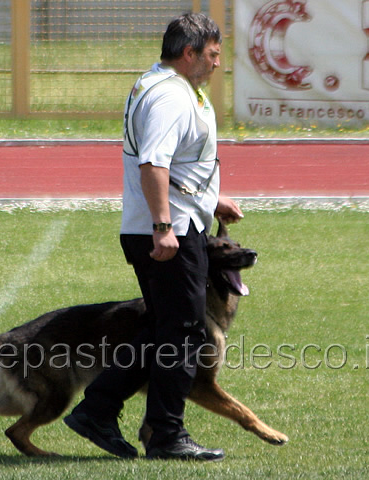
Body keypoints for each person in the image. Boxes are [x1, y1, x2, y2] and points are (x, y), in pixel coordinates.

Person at [64, 12, 243, 461]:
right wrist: (164, 226)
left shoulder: (165, 85)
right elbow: (154, 165)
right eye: (214, 54)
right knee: (184, 333)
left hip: (177, 221)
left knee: (167, 329)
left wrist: (209, 201)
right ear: (190, 53)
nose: (218, 63)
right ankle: (163, 434)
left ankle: (99, 411)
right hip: (168, 231)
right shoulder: (169, 96)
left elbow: (174, 164)